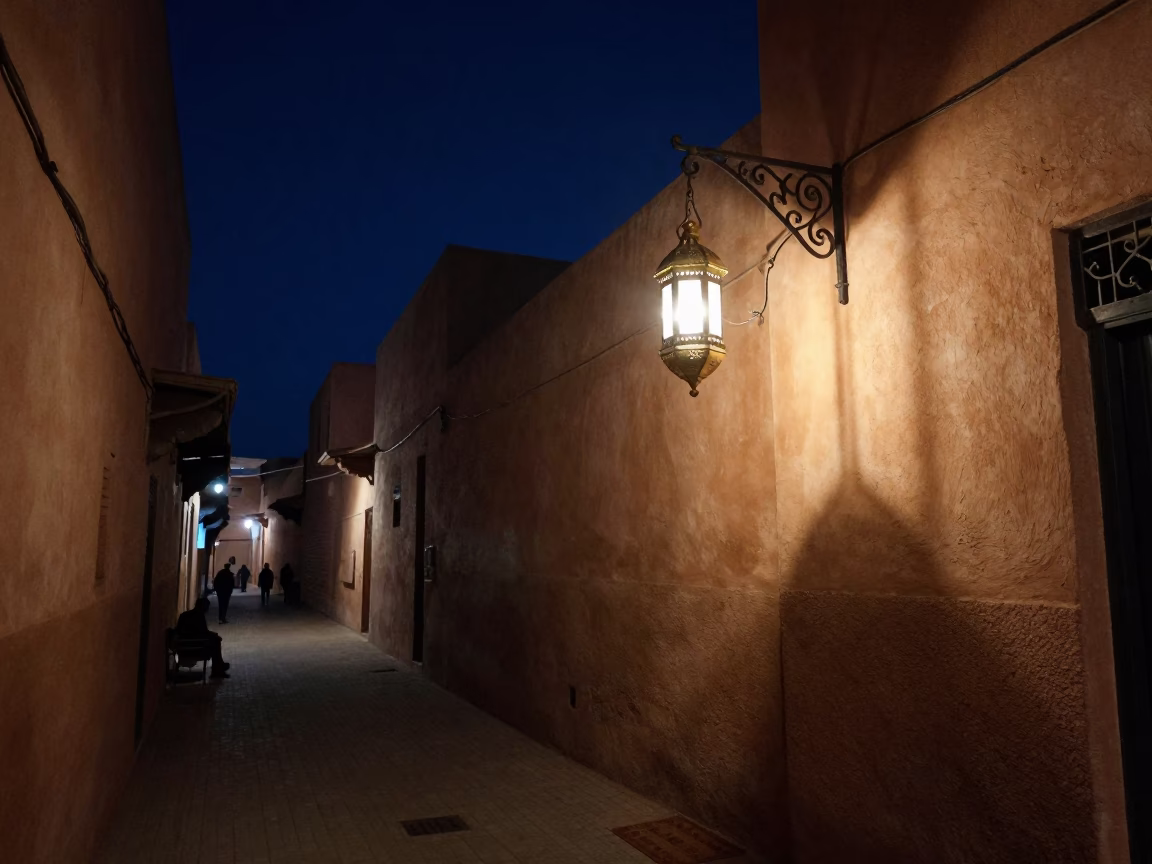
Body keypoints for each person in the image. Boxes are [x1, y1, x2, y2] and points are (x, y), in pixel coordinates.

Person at [175, 598, 230, 678]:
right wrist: (214, 635)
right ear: (203, 607)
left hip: (183, 646)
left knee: (215, 640)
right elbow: (203, 633)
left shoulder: (184, 615)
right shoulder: (199, 616)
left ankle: (219, 666)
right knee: (216, 642)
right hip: (196, 648)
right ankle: (217, 668)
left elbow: (179, 630)